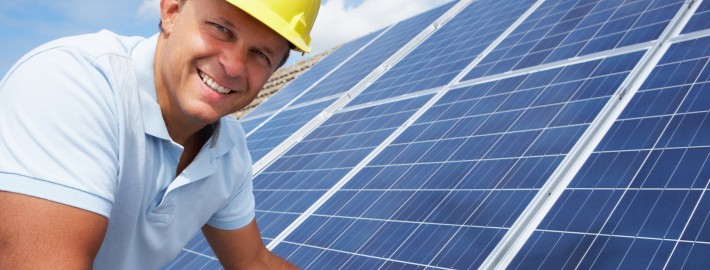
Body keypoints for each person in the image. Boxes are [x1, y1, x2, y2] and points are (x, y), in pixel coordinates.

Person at [0, 0, 319, 268]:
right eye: (220, 29)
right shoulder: (71, 83)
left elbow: (253, 262)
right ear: (171, 11)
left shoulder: (229, 150)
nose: (234, 66)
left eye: (261, 54)